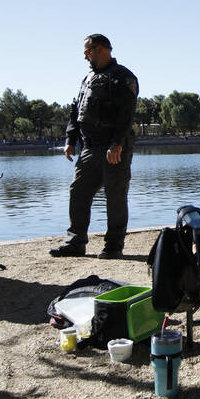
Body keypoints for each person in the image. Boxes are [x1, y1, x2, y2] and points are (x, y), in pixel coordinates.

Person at [52, 34, 139, 259]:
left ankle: (113, 246)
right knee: (78, 191)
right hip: (89, 148)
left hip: (113, 148)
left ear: (101, 49)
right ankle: (75, 242)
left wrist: (117, 143)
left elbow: (126, 114)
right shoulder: (88, 78)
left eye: (87, 51)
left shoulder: (123, 77)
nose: (85, 56)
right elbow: (76, 111)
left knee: (115, 196)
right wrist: (70, 140)